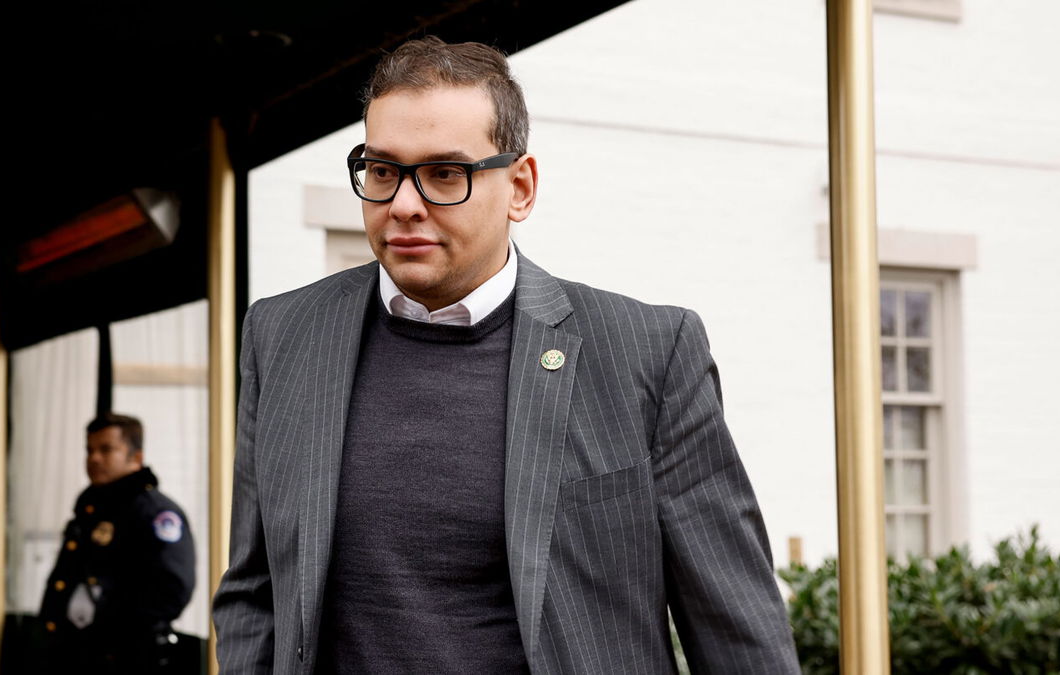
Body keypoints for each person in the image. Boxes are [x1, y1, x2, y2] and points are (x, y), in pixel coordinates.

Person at [213, 37, 798, 674]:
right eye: (382, 171)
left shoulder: (648, 353)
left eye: (445, 174)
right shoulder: (283, 335)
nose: (404, 203)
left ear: (520, 187)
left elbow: (737, 632)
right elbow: (255, 593)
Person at [39, 413, 196, 674]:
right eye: (89, 450)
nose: (94, 458)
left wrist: (113, 633)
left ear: (136, 458)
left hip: (127, 658)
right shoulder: (91, 509)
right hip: (76, 654)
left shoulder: (156, 513)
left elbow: (172, 590)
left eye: (106, 449)